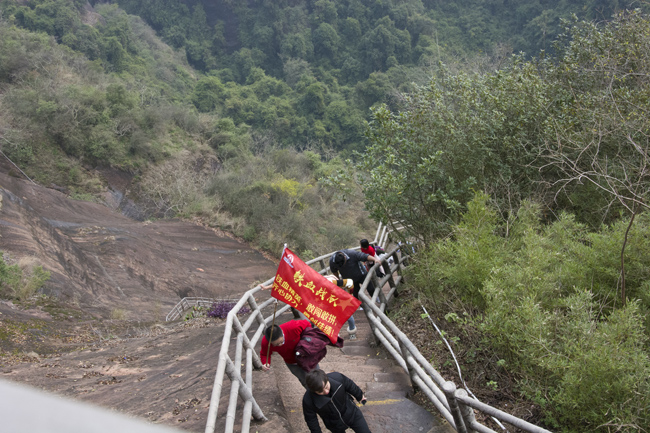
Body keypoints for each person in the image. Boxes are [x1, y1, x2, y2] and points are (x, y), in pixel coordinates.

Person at [302, 369, 371, 433]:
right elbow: (311, 420)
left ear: (327, 379)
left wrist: (360, 396)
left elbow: (350, 385)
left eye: (326, 387)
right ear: (313, 391)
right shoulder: (308, 400)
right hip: (334, 425)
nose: (326, 391)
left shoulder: (338, 378)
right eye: (320, 391)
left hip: (352, 413)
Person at [260, 319, 314, 388]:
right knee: (304, 381)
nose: (280, 345)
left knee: (315, 377)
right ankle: (313, 397)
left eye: (281, 341)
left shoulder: (293, 327)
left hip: (306, 356)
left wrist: (307, 341)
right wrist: (266, 363)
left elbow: (307, 324)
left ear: (282, 333)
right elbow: (264, 354)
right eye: (276, 344)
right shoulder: (265, 342)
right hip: (291, 362)